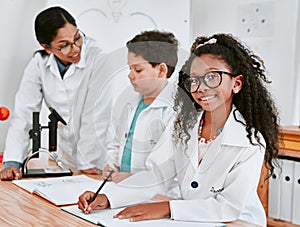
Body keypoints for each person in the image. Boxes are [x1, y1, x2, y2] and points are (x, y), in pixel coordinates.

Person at [78, 33, 280, 226]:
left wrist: (167, 208)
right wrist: (109, 198)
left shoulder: (250, 139)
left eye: (212, 77)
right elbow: (157, 175)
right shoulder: (182, 125)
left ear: (236, 83)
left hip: (238, 222)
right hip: (190, 219)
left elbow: (229, 206)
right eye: (194, 80)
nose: (201, 87)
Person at [0, 6, 112, 180]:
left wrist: (88, 165)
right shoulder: (39, 64)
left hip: (98, 158)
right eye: (64, 45)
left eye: (77, 38)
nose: (75, 49)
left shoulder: (98, 59)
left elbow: (95, 117)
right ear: (47, 47)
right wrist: (12, 162)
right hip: (65, 157)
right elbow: (24, 113)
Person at [101, 30, 179, 184]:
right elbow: (117, 141)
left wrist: (135, 180)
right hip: (121, 187)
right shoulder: (130, 102)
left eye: (138, 70)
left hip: (155, 195)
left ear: (161, 70)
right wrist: (112, 165)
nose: (130, 75)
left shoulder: (174, 111)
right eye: (130, 69)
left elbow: (171, 167)